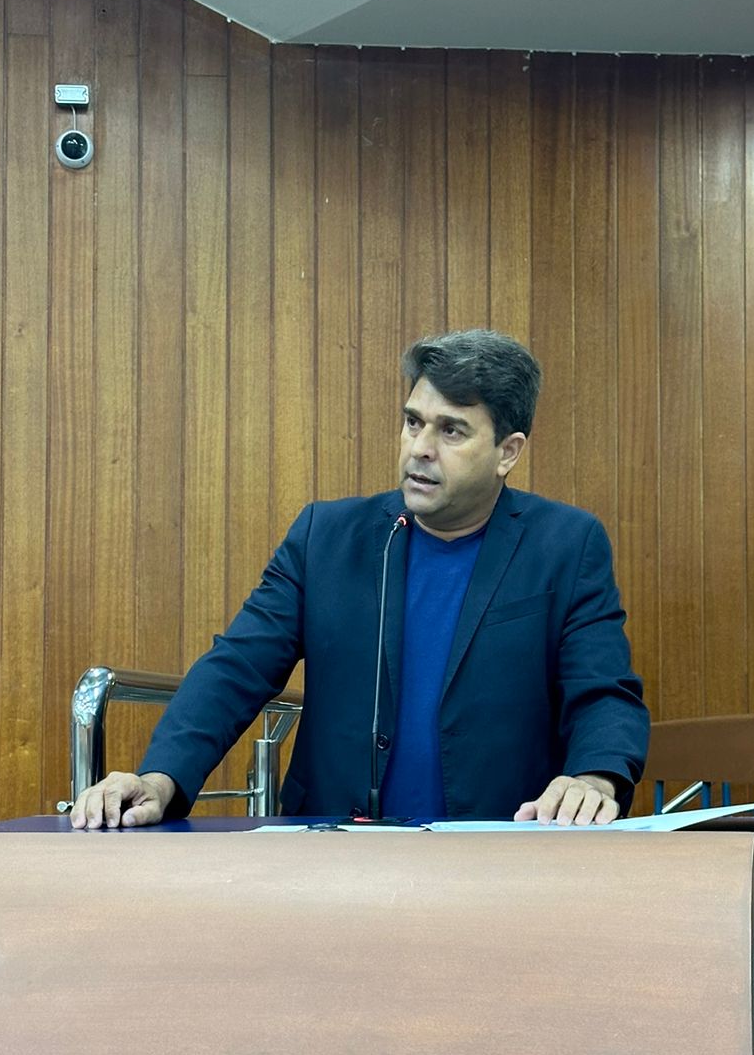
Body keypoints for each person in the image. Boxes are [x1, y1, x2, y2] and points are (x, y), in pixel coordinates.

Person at [71, 330, 649, 830]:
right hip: (335, 852)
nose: (420, 449)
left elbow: (602, 690)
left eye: (451, 431)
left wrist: (593, 778)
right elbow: (237, 667)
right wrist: (161, 776)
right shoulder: (325, 537)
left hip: (494, 852)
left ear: (507, 452)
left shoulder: (564, 545)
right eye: (413, 422)